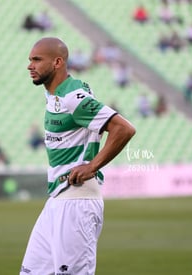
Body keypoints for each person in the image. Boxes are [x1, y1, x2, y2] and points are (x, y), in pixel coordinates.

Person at [21, 37, 136, 275]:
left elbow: (123, 128)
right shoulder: (56, 94)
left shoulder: (72, 96)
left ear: (57, 62)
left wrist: (92, 166)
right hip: (56, 200)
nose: (30, 65)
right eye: (30, 60)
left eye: (37, 60)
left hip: (77, 202)